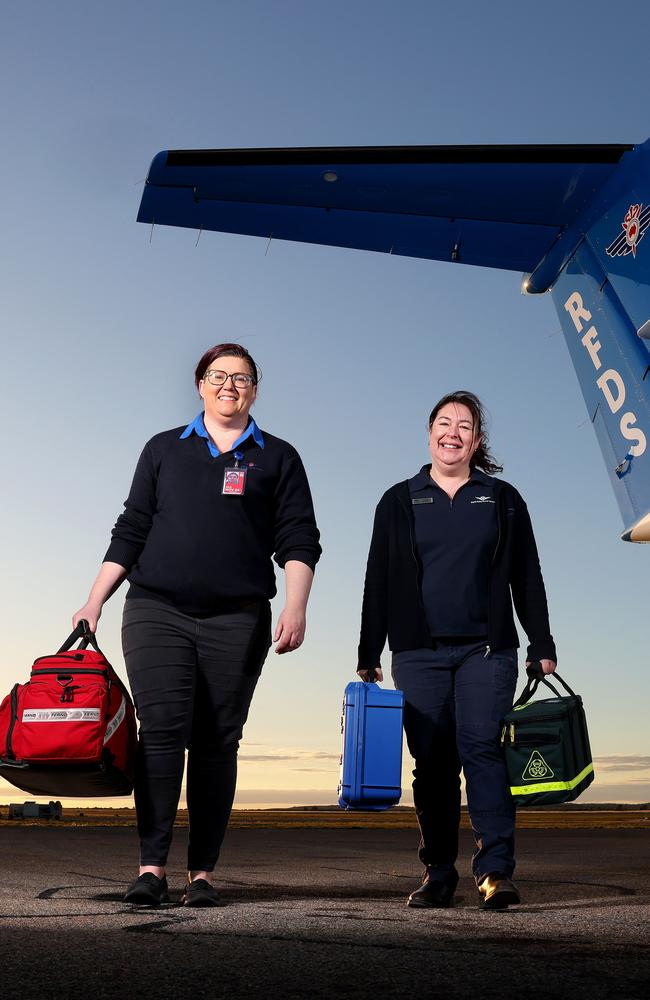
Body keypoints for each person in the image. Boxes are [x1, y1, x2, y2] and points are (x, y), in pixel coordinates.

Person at [73, 343, 321, 907]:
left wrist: (295, 604)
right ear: (199, 386)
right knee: (161, 734)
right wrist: (94, 601)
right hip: (156, 609)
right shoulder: (164, 449)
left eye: (241, 377)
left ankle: (202, 873)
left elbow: (299, 538)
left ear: (255, 389)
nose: (228, 385)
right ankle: (151, 868)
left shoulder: (278, 457)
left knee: (217, 740)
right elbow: (131, 527)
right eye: (217, 376)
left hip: (238, 617)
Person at [357, 390, 556, 910]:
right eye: (444, 423)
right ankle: (439, 873)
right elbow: (377, 579)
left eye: (464, 426)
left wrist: (543, 641)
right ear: (429, 434)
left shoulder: (503, 498)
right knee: (433, 763)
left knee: (482, 748)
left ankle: (495, 871)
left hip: (486, 650)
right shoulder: (398, 500)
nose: (453, 432)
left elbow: (527, 576)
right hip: (417, 652)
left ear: (477, 440)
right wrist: (368, 648)